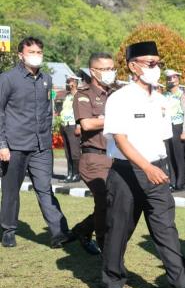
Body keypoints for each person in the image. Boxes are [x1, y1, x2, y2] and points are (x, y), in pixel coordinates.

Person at [101, 40, 185, 288]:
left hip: (156, 170)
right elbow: (122, 140)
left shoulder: (161, 100)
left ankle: (181, 285)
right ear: (133, 66)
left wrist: (158, 168)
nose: (155, 68)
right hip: (127, 172)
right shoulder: (120, 98)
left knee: (165, 228)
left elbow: (162, 141)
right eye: (150, 63)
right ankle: (113, 281)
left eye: (158, 63)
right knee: (119, 228)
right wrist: (146, 167)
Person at [0, 37, 75, 249]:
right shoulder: (7, 79)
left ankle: (59, 232)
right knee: (11, 190)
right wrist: (2, 144)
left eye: (39, 52)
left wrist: (48, 138)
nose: (36, 55)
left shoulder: (46, 79)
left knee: (44, 188)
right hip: (14, 146)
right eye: (31, 52)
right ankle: (8, 230)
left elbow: (46, 111)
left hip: (41, 146)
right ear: (20, 55)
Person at [69, 53, 117, 256]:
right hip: (94, 158)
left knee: (117, 201)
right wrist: (116, 118)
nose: (110, 73)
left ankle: (84, 229)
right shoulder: (83, 95)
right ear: (93, 71)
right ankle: (106, 248)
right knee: (105, 199)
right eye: (105, 69)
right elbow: (87, 124)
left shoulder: (116, 93)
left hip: (116, 156)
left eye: (112, 68)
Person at [163, 69, 185, 191]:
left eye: (173, 78)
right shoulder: (164, 96)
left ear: (178, 80)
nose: (171, 80)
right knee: (169, 155)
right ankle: (172, 181)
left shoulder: (182, 95)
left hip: (178, 126)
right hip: (167, 126)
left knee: (179, 156)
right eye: (168, 78)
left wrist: (184, 131)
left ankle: (180, 182)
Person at [59, 75, 82, 183]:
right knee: (67, 153)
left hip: (73, 125)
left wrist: (79, 126)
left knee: (74, 152)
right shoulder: (67, 96)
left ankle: (77, 174)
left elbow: (81, 113)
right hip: (65, 125)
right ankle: (70, 173)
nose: (67, 84)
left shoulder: (78, 95)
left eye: (68, 82)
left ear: (74, 83)